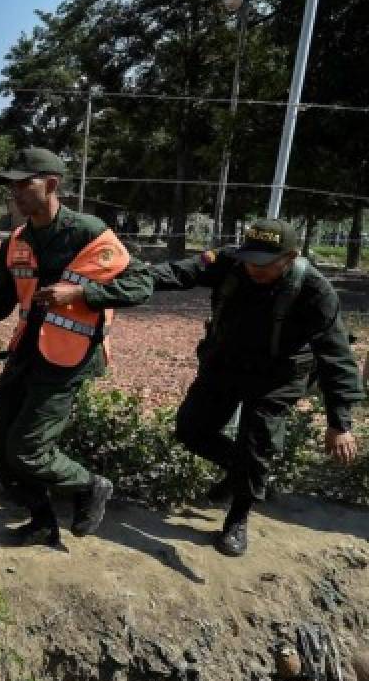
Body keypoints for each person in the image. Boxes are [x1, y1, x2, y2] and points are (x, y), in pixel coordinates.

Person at [0, 147, 153, 548]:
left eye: (24, 183)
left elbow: (141, 284)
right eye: (11, 186)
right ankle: (41, 522)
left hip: (68, 357)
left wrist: (81, 293)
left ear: (51, 184)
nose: (15, 193)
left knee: (28, 448)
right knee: (1, 448)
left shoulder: (88, 232)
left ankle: (90, 485)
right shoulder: (16, 240)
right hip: (26, 351)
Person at [150, 218, 362, 556]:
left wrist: (340, 422)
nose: (253, 268)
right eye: (249, 259)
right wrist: (130, 277)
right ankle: (242, 473)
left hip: (278, 377)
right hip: (226, 363)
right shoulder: (232, 263)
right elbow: (179, 273)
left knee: (257, 440)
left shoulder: (315, 291)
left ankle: (237, 519)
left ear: (290, 258)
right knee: (191, 430)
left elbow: (336, 357)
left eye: (264, 263)